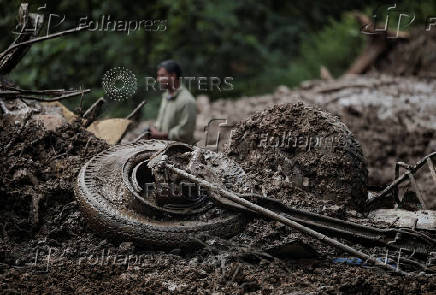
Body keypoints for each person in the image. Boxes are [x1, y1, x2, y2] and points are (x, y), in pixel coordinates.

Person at [148, 60, 197, 144]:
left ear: (173, 76)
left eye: (162, 75)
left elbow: (186, 132)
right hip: (163, 147)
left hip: (182, 151)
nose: (158, 79)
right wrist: (154, 129)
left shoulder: (187, 101)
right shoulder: (166, 97)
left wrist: (160, 135)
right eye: (158, 76)